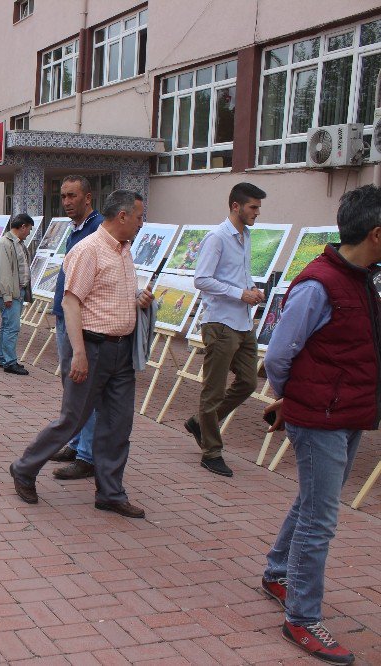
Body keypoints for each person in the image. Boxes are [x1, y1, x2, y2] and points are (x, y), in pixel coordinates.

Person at [259, 185, 381, 666]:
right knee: (320, 519)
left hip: (346, 413)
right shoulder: (318, 284)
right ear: (376, 233)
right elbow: (279, 355)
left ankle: (277, 572)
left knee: (313, 504)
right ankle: (301, 617)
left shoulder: (360, 278)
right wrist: (291, 400)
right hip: (322, 417)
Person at [9, 190, 153, 518]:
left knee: (118, 426)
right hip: (92, 348)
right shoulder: (88, 250)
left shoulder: (124, 251)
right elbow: (71, 301)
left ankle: (110, 492)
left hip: (121, 352)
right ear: (122, 216)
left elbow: (107, 295)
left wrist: (137, 299)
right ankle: (24, 467)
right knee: (72, 420)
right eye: (140, 217)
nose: (142, 223)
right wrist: (78, 353)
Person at [184, 182, 265, 477]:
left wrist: (251, 287)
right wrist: (239, 293)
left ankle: (200, 423)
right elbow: (202, 279)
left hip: (242, 321)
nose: (257, 212)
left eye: (258, 207)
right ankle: (211, 451)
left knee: (248, 382)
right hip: (220, 322)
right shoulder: (217, 237)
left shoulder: (246, 236)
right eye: (253, 207)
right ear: (236, 206)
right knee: (213, 390)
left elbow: (238, 274)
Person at [48, 175, 104, 481]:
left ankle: (88, 455)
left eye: (72, 196)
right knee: (71, 387)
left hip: (84, 319)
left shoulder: (98, 230)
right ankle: (76, 442)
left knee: (83, 388)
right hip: (65, 315)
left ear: (88, 198)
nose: (67, 202)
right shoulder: (76, 229)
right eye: (63, 196)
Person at [0, 214, 34, 375]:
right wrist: (7, 295)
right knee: (12, 326)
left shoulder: (17, 243)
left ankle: (4, 358)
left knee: (7, 325)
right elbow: (4, 272)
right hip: (10, 292)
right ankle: (10, 361)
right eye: (29, 229)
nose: (29, 233)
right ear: (22, 226)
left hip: (16, 291)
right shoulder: (4, 244)